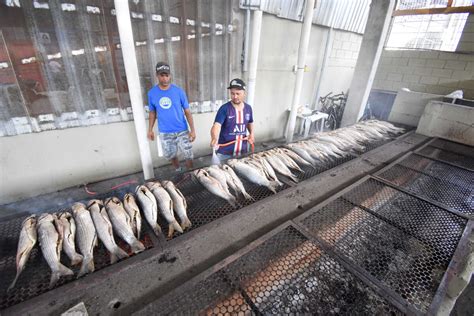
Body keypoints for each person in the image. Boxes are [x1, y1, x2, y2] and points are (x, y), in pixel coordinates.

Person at [148, 62, 196, 171]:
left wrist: (192, 130)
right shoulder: (152, 93)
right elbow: (152, 112)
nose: (165, 78)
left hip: (182, 129)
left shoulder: (179, 91)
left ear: (170, 75)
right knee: (171, 155)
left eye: (167, 75)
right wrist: (150, 130)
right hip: (165, 131)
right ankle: (178, 171)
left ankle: (191, 173)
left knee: (188, 154)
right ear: (157, 75)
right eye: (162, 75)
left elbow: (187, 111)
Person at [210, 78, 254, 160]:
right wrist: (214, 138)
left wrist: (252, 134)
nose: (235, 96)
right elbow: (217, 125)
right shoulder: (224, 108)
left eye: (238, 93)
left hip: (243, 151)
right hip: (225, 153)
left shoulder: (248, 108)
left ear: (244, 93)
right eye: (232, 94)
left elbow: (250, 122)